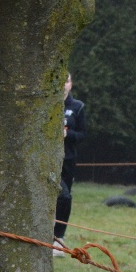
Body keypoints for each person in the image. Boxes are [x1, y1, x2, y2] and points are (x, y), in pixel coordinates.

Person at [54, 73, 86, 257]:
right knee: (63, 196)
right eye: (61, 81)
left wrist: (69, 135)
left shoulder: (78, 107)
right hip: (52, 161)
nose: (64, 85)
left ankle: (59, 238)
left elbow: (83, 134)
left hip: (69, 160)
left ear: (71, 84)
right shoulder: (49, 106)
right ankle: (56, 238)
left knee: (65, 199)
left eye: (66, 81)